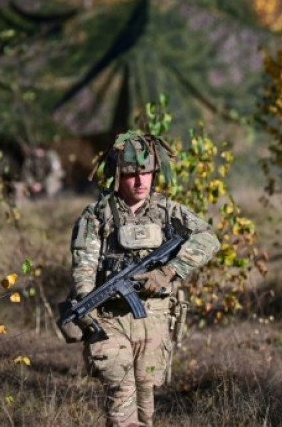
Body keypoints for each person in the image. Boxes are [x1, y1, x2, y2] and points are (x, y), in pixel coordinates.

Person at [68, 131, 219, 427]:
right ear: (116, 175)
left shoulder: (168, 212)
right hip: (111, 321)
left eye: (146, 173)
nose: (140, 182)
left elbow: (209, 239)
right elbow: (83, 271)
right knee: (123, 404)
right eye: (131, 174)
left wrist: (169, 271)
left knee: (146, 407)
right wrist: (89, 313)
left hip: (155, 322)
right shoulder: (97, 216)